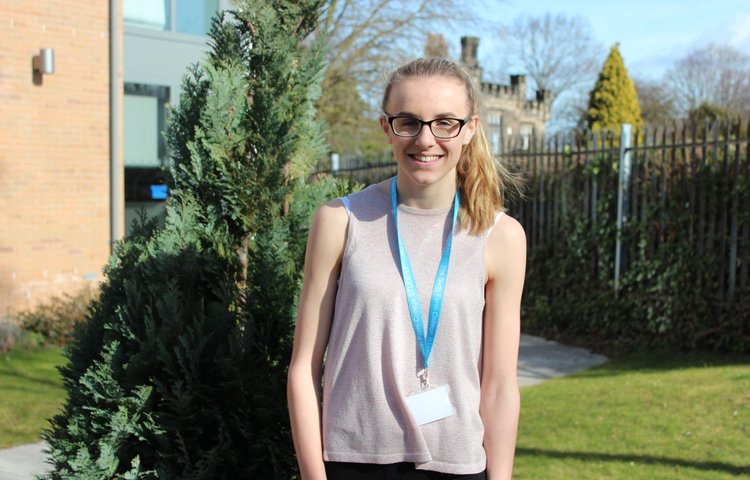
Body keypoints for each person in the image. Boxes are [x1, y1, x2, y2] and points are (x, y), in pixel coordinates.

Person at [287, 57, 526, 480]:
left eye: (444, 123)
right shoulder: (340, 221)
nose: (426, 138)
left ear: (469, 128)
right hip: (352, 462)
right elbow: (303, 367)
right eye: (409, 122)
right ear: (387, 127)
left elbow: (501, 385)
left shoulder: (501, 236)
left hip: (457, 464)